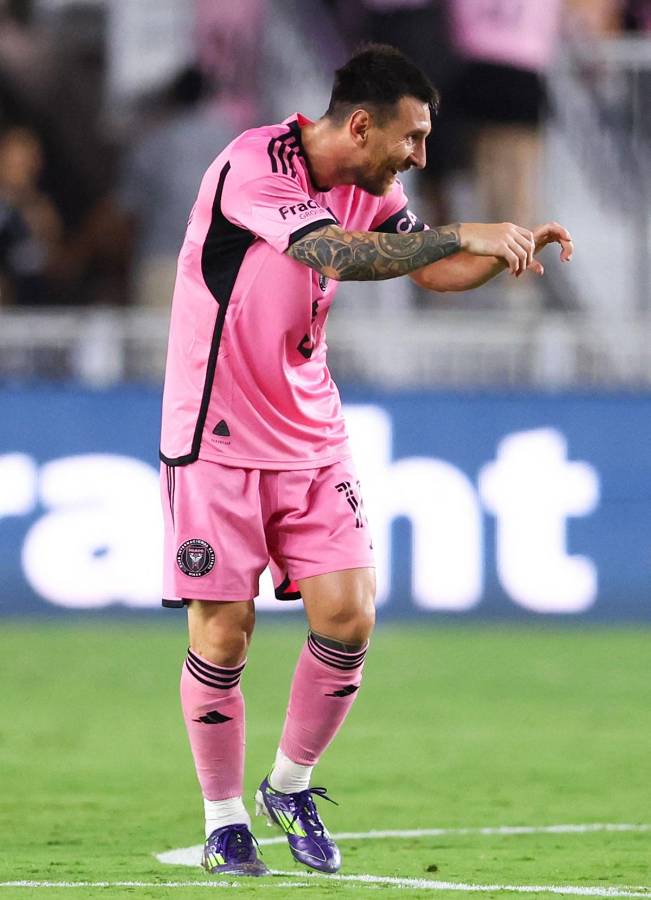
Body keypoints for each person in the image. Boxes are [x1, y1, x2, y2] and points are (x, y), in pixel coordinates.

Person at [159, 43, 573, 878]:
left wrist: (504, 249)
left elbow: (431, 265)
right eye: (412, 139)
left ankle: (290, 786)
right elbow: (336, 255)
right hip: (219, 434)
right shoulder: (255, 166)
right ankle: (222, 820)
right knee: (226, 630)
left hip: (311, 433)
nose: (419, 156)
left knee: (348, 615)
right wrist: (469, 229)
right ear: (360, 125)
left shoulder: (372, 184)